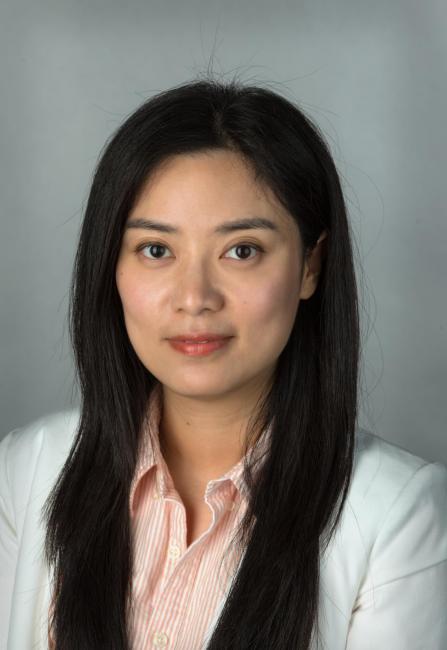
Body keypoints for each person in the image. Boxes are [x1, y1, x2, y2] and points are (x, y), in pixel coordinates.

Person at [1, 76, 446, 650]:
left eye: (242, 250)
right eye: (156, 250)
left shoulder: (399, 515)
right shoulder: (24, 472)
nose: (195, 297)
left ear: (311, 267)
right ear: (109, 267)